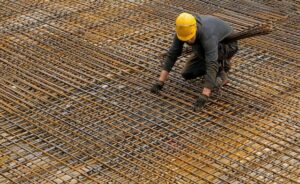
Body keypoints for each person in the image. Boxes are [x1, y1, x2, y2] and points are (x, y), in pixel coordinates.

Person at [150, 12, 238, 111]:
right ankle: (213, 68)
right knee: (187, 74)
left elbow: (211, 63)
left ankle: (222, 68)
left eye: (190, 37)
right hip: (205, 48)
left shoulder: (207, 34)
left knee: (202, 52)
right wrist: (160, 82)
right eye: (186, 39)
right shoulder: (182, 31)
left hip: (228, 45)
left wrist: (205, 95)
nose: (189, 41)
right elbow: (172, 54)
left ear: (195, 28)